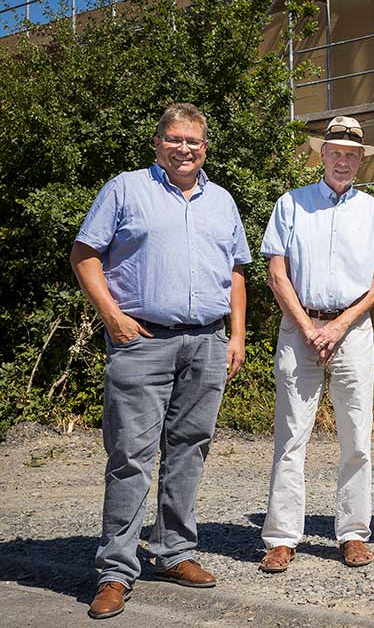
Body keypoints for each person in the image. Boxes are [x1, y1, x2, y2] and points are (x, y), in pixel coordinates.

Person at [71, 103, 251, 619]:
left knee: (190, 449)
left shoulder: (222, 201)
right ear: (158, 145)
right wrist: (112, 316)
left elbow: (235, 272)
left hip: (208, 342)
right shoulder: (126, 189)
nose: (184, 148)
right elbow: (84, 255)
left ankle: (173, 551)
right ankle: (115, 571)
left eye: (193, 141)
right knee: (130, 455)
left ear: (205, 147)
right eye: (175, 140)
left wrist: (236, 334)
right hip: (142, 341)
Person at [258, 116, 374, 573]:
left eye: (351, 154)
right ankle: (281, 537)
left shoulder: (373, 212)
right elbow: (277, 273)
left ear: (360, 161)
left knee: (357, 437)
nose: (343, 160)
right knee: (291, 436)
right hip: (299, 331)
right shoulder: (290, 205)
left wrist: (337, 327)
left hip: (352, 332)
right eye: (335, 152)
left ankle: (353, 533)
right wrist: (307, 326)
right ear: (322, 155)